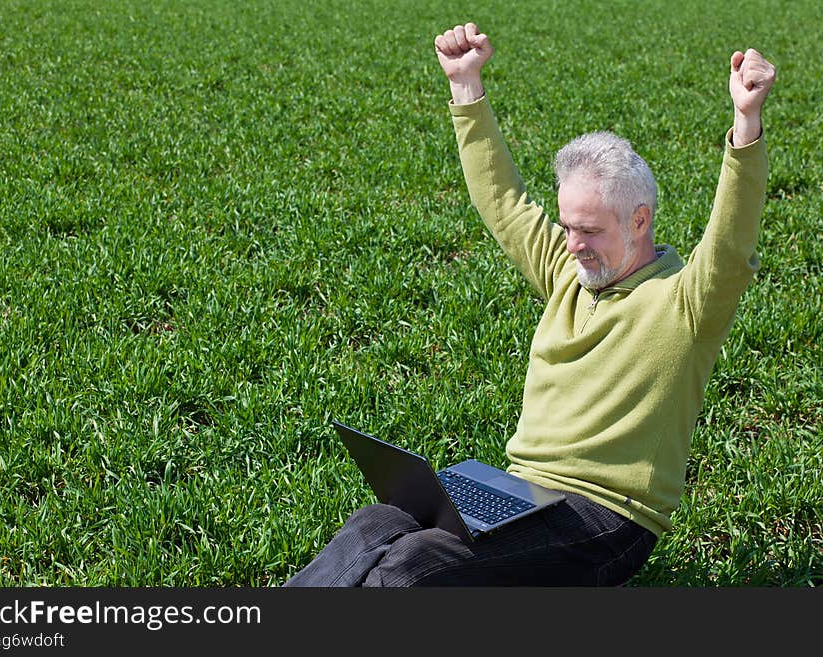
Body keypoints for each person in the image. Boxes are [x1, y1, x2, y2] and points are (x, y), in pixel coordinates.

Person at [284, 23, 776, 586]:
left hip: (605, 520)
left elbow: (731, 241)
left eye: (589, 230)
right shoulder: (569, 272)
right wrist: (465, 85)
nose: (573, 245)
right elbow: (504, 202)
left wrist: (745, 124)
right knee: (377, 524)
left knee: (412, 566)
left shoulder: (686, 300)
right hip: (518, 490)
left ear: (639, 220)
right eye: (567, 226)